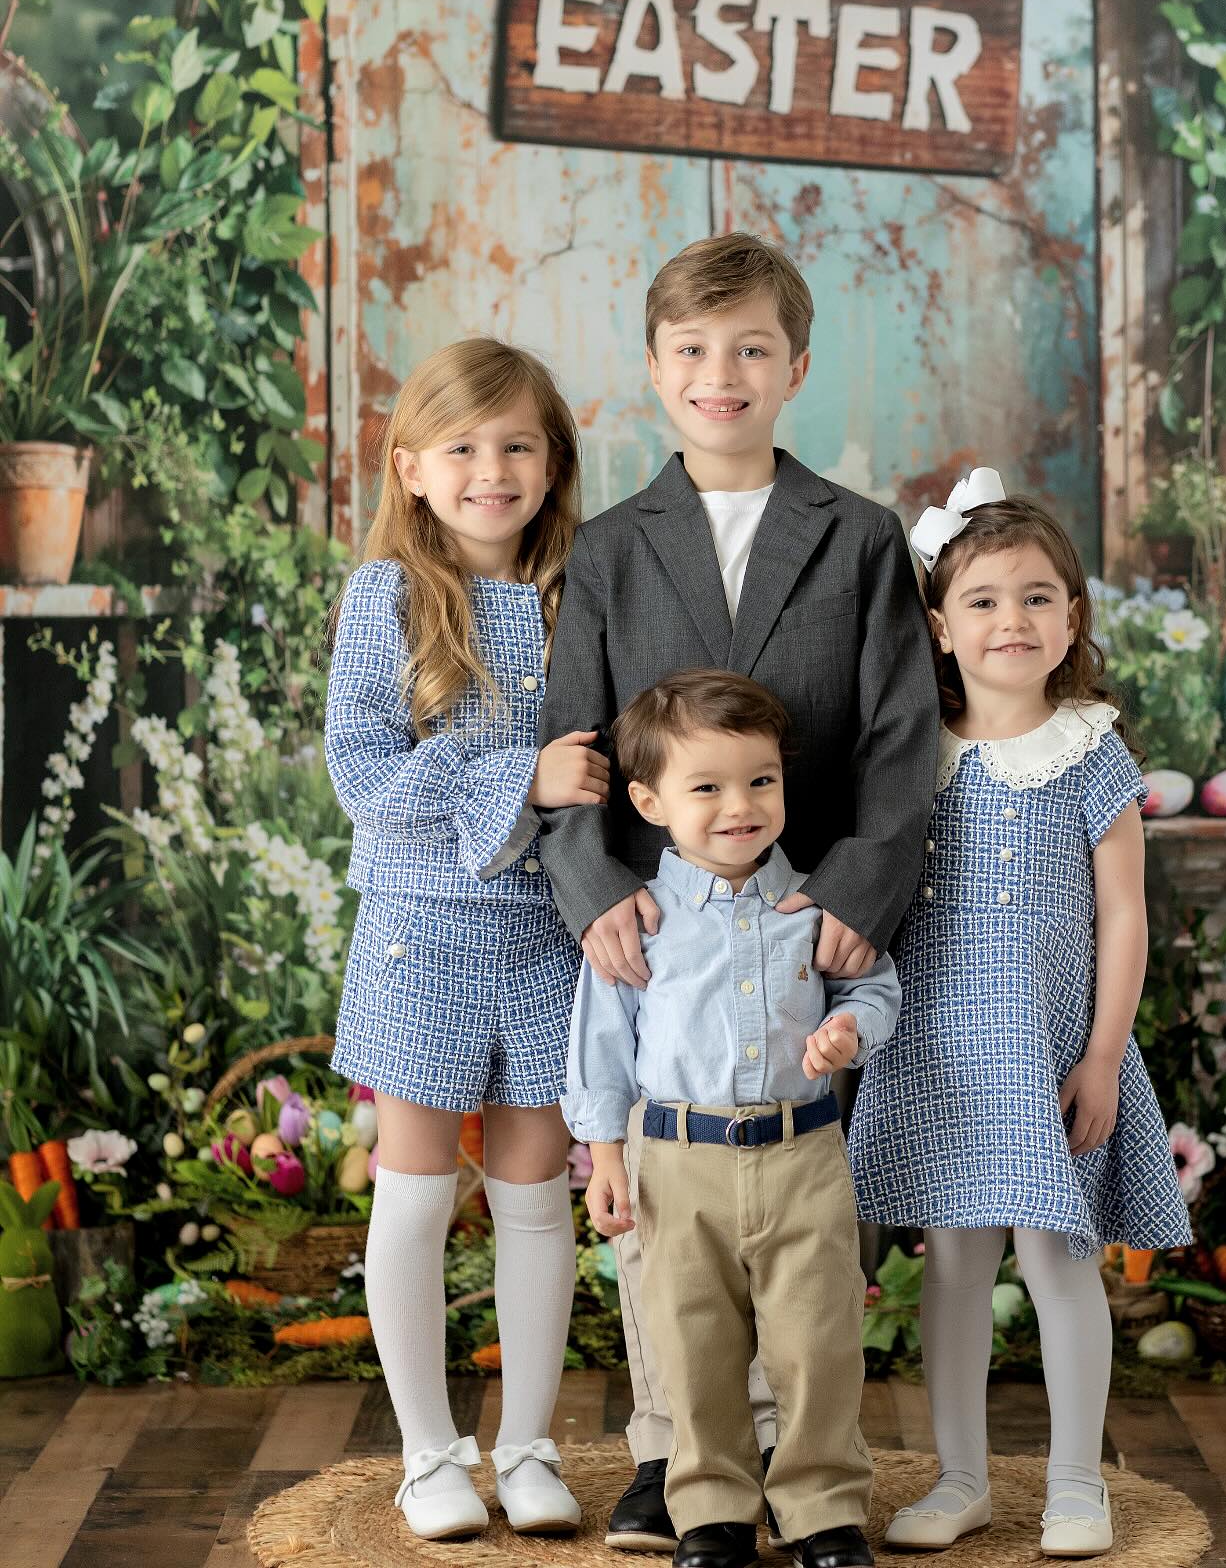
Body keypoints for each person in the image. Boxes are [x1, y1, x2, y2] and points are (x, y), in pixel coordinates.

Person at [537, 230, 938, 1551]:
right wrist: (597, 885)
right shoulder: (607, 551)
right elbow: (577, 739)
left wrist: (858, 900)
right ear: (656, 370)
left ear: (796, 366)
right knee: (670, 1228)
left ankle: (799, 1465)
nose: (724, 373)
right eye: (696, 350)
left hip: (808, 923)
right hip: (662, 923)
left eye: (752, 349)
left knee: (801, 1223)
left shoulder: (861, 538)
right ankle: (671, 1456)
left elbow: (896, 738)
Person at [847, 472, 1192, 1561]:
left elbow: (1124, 915)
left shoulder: (1091, 750)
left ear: (1072, 619)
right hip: (936, 1049)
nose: (1014, 620)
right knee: (951, 1264)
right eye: (985, 600)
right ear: (940, 627)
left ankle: (1077, 1484)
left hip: (1051, 1051)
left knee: (1055, 1257)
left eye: (1039, 597)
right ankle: (959, 1479)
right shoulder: (911, 759)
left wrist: (1100, 1054)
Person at [326, 339, 608, 1542]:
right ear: (412, 468)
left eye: (516, 446)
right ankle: (430, 1456)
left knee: (537, 1198)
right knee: (417, 1196)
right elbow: (365, 776)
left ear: (552, 463)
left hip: (549, 938)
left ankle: (530, 1446)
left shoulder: (580, 598)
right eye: (463, 448)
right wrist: (518, 778)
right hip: (419, 939)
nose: (491, 469)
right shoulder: (383, 598)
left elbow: (602, 762)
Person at [566, 668, 901, 1568]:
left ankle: (821, 1510)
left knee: (818, 1343)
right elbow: (598, 1049)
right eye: (705, 787)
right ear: (649, 800)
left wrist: (847, 1029)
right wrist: (605, 1161)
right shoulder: (637, 922)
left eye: (760, 781)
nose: (738, 806)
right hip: (678, 1160)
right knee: (693, 1342)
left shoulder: (815, 907)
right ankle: (710, 1508)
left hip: (801, 1155)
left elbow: (873, 986)